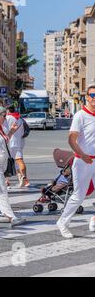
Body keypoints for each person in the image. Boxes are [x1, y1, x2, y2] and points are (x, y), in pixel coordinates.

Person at [57, 85, 95, 239]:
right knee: (79, 195)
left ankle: (93, 220)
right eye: (93, 95)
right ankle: (62, 222)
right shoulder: (80, 115)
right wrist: (82, 155)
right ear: (87, 97)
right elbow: (71, 139)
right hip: (83, 161)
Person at [6, 105, 30, 187]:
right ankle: (24, 177)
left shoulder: (7, 118)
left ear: (8, 111)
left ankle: (6, 180)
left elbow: (5, 129)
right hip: (19, 142)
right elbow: (23, 131)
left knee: (6, 162)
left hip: (9, 142)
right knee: (19, 160)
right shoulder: (20, 119)